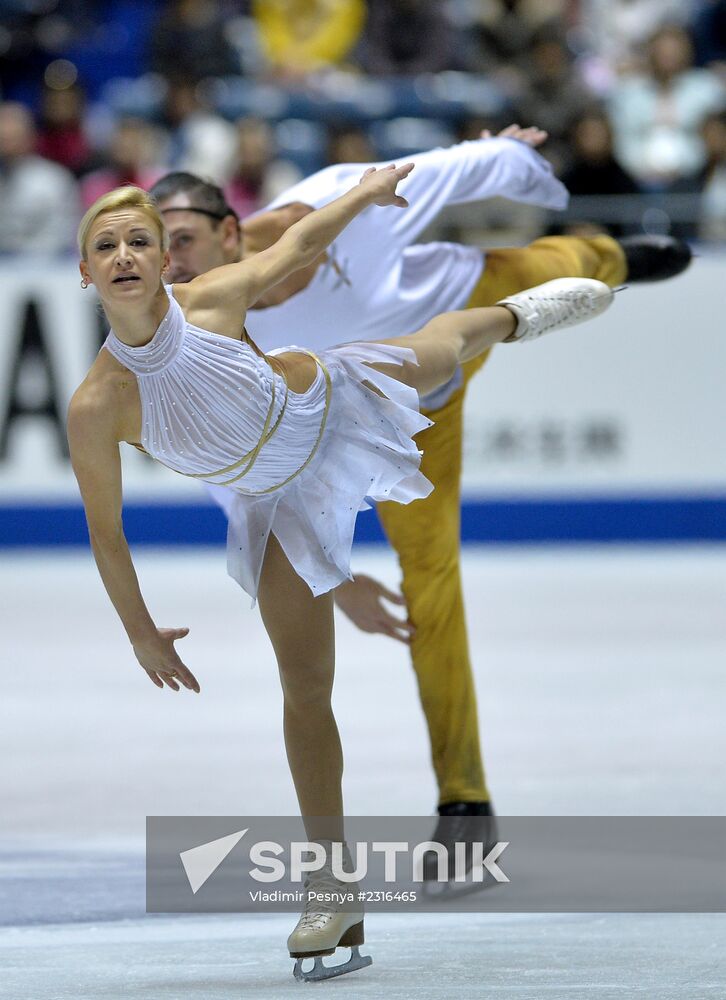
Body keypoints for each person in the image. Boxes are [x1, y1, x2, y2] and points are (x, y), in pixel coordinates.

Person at [69, 176, 613, 980]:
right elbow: (107, 536)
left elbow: (296, 244)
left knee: (443, 349)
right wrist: (140, 632)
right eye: (105, 246)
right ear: (85, 273)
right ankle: (333, 883)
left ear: (161, 260)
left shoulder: (212, 299)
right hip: (274, 500)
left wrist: (365, 192)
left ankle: (510, 316)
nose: (124, 256)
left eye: (139, 241)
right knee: (305, 688)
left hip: (329, 406)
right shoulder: (96, 405)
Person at [148, 128, 690, 869]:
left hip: (463, 295)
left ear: (232, 231)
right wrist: (334, 587)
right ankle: (465, 800)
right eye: (158, 249)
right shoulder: (198, 338)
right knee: (432, 581)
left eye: (180, 240)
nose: (169, 264)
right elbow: (231, 473)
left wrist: (516, 156)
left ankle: (619, 253)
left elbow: (451, 170)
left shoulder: (343, 202)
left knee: (561, 266)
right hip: (403, 416)